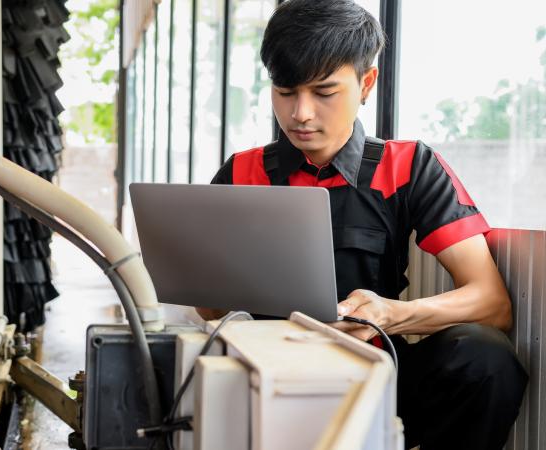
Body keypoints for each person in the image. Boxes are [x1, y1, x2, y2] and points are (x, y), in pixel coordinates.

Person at [196, 1, 528, 448]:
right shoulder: (241, 172)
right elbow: (210, 310)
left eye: (324, 92)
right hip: (264, 378)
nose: (301, 114)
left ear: (366, 83)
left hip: (378, 378)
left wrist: (391, 315)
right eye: (286, 91)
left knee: (485, 357)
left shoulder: (408, 166)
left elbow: (492, 303)